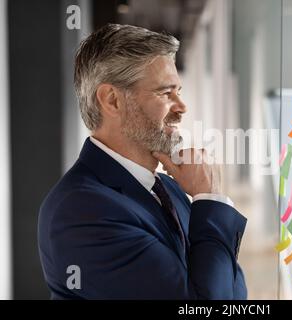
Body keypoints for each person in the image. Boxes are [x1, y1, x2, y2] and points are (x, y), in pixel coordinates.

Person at [38, 24, 247, 299]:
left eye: (179, 91)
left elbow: (233, 289)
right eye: (165, 93)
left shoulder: (169, 187)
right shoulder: (80, 212)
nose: (182, 107)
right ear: (112, 101)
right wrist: (210, 199)